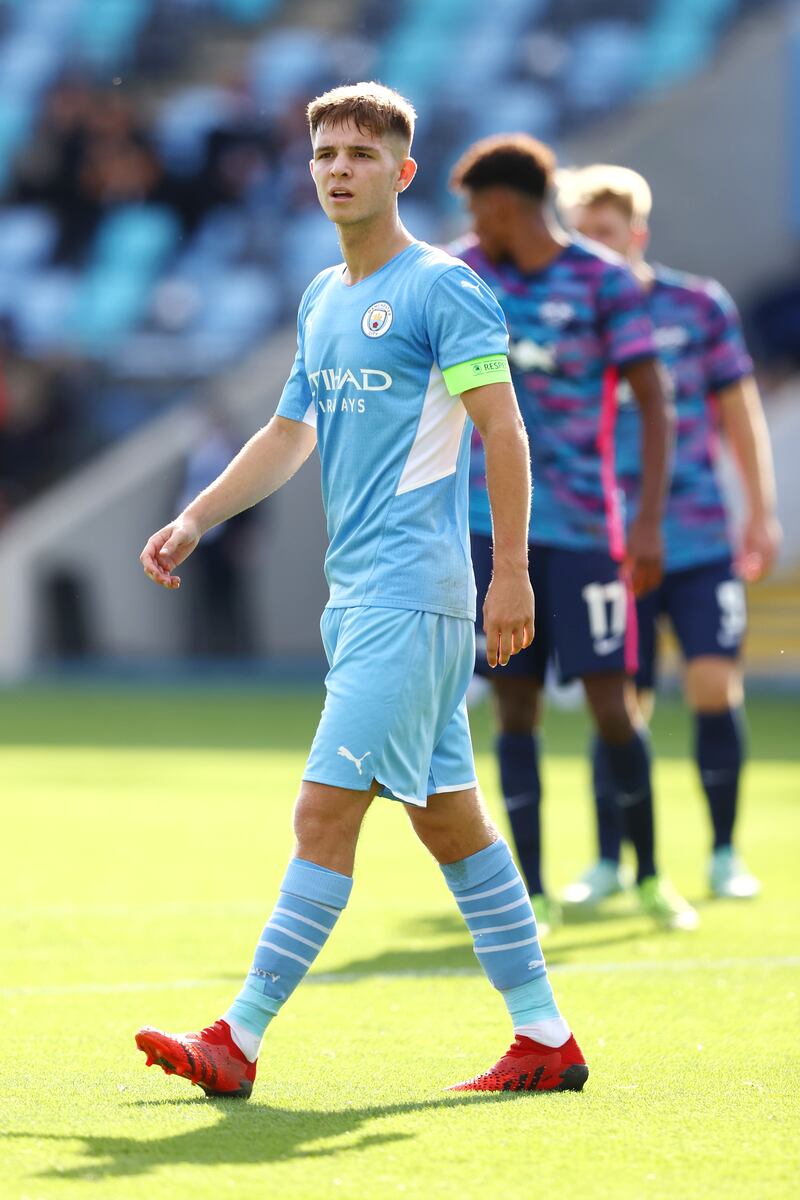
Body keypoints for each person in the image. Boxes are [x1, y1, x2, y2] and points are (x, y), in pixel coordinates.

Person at [135, 83, 588, 1099]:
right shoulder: (321, 295)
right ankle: (544, 1037)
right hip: (364, 602)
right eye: (324, 152)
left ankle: (236, 1039)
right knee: (450, 825)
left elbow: (501, 431)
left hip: (411, 595)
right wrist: (198, 514)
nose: (338, 167)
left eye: (359, 153)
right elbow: (289, 434)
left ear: (401, 171)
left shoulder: (442, 288)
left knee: (320, 815)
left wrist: (508, 572)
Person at [449, 134, 697, 933]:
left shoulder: (601, 279)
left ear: (504, 206)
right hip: (494, 532)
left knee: (611, 706)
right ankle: (532, 892)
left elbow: (654, 402)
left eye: (476, 212)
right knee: (513, 708)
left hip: (590, 529)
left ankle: (650, 874)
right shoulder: (464, 275)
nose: (471, 227)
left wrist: (649, 519)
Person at [559, 165, 781, 904]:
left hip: (696, 538)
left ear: (638, 235)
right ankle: (609, 860)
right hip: (606, 541)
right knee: (617, 703)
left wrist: (763, 507)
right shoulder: (563, 318)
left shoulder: (697, 305)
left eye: (607, 235)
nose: (594, 249)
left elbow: (741, 411)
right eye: (581, 235)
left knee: (715, 684)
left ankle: (723, 853)